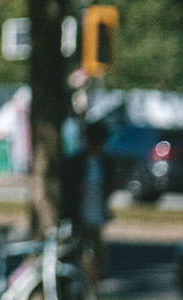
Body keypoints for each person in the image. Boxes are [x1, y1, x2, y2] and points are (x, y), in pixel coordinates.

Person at [60, 120, 115, 300]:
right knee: (80, 259)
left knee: (98, 261)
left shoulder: (105, 162)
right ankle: (77, 293)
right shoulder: (76, 161)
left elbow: (110, 186)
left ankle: (92, 293)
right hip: (78, 218)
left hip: (96, 218)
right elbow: (65, 189)